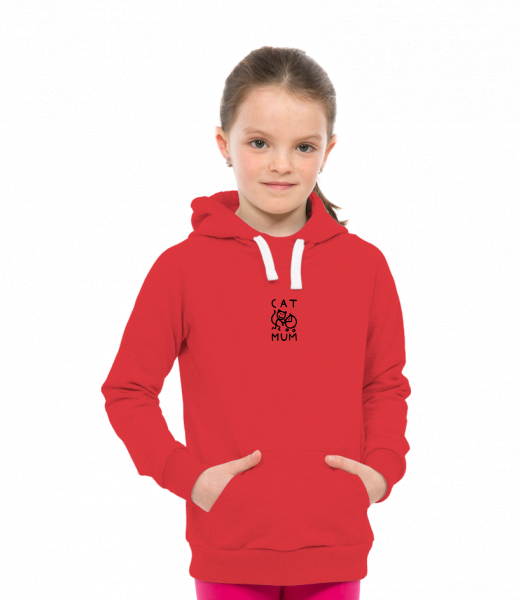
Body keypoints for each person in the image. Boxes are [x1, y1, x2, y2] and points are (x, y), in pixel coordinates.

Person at [101, 46, 411, 600]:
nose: (281, 164)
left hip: (334, 542)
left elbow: (384, 384)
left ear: (328, 151)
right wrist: (186, 476)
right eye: (260, 143)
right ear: (225, 144)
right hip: (229, 545)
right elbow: (127, 390)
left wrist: (381, 470)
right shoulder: (183, 268)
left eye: (304, 146)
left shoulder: (365, 266)